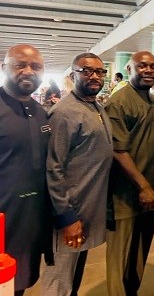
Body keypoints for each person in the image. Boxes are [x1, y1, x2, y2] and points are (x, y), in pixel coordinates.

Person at [42, 53, 113, 295]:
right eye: (86, 70)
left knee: (73, 280)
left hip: (87, 210)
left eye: (99, 71)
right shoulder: (64, 112)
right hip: (70, 214)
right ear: (73, 75)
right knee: (58, 283)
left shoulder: (95, 106)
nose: (94, 76)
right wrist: (66, 217)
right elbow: (53, 167)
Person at [104, 51, 154, 296]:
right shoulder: (119, 101)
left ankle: (132, 291)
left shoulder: (153, 100)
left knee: (140, 250)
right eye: (142, 66)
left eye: (153, 66)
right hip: (127, 195)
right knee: (120, 254)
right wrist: (143, 186)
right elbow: (118, 151)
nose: (148, 70)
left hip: (152, 194)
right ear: (129, 69)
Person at [0, 44, 51, 295]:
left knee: (21, 283)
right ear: (4, 67)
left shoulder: (39, 111)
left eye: (36, 66)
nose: (29, 71)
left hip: (31, 221)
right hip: (2, 223)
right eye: (20, 64)